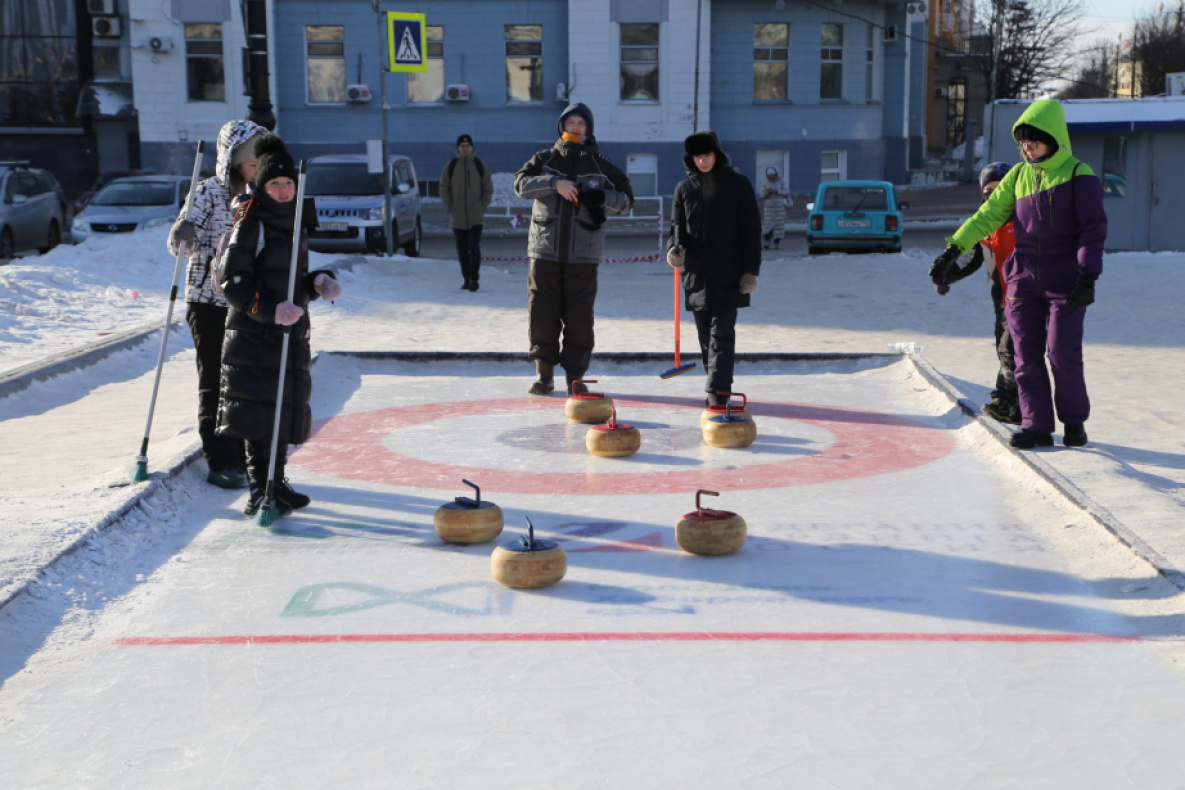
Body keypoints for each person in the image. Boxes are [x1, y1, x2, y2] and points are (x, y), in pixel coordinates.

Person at [929, 100, 1107, 449]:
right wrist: (953, 249)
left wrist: (1088, 276)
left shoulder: (1078, 174)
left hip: (1065, 280)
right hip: (1022, 278)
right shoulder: (1018, 176)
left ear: (1053, 138)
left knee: (1062, 353)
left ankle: (1073, 422)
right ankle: (1036, 425)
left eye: (1033, 141)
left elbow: (1093, 228)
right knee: (1024, 354)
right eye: (1022, 142)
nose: (1027, 148)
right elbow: (986, 217)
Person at [215, 133, 343, 517]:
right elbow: (231, 281)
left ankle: (278, 481)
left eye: (289, 183)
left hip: (289, 332)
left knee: (283, 409)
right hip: (255, 335)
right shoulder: (251, 222)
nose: (284, 190)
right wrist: (268, 311)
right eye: (276, 183)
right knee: (259, 413)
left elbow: (289, 278)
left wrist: (317, 282)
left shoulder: (294, 221)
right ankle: (259, 489)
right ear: (262, 185)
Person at [167, 119, 267, 490]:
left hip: (247, 300)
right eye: (250, 160)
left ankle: (245, 454)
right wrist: (182, 235)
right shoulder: (208, 193)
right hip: (208, 301)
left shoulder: (265, 194)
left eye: (261, 159)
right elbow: (180, 247)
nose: (257, 166)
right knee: (215, 379)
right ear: (232, 160)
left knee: (245, 381)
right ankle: (220, 458)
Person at [515, 102, 634, 395]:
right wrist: (554, 183)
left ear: (588, 128)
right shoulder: (544, 159)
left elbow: (627, 201)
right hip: (544, 253)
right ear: (562, 126)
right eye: (571, 123)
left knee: (580, 318)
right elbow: (521, 185)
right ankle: (544, 375)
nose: (576, 128)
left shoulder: (602, 167)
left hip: (584, 255)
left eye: (581, 124)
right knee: (542, 313)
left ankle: (575, 378)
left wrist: (601, 195)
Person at [666, 131, 762, 406]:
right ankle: (716, 387)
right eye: (697, 156)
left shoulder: (738, 185)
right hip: (696, 276)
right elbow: (676, 230)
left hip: (729, 275)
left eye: (706, 155)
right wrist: (673, 249)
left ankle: (717, 393)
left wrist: (750, 271)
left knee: (721, 336)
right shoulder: (684, 189)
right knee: (706, 339)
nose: (702, 161)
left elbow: (751, 231)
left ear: (716, 155)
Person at [932, 162, 1021, 425]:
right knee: (1004, 348)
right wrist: (946, 275)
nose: (993, 195)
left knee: (1012, 349)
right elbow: (971, 259)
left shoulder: (1023, 216)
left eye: (999, 189)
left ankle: (1017, 405)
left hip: (1026, 294)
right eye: (988, 189)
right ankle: (1005, 399)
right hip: (1000, 295)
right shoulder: (984, 222)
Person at [439, 133, 494, 292]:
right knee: (462, 250)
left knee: (473, 248)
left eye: (467, 146)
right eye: (462, 146)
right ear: (458, 148)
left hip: (476, 217)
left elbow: (487, 188)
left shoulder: (479, 166)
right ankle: (465, 278)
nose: (465, 149)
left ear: (472, 147)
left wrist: (481, 206)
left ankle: (474, 278)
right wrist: (450, 206)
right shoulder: (450, 166)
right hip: (457, 217)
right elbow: (443, 187)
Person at [759, 166, 790, 250]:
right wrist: (768, 192)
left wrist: (777, 191)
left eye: (773, 174)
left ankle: (777, 244)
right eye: (770, 175)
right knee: (768, 226)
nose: (771, 177)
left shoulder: (782, 182)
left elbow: (787, 192)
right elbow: (762, 196)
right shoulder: (765, 183)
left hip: (779, 207)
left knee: (778, 227)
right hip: (769, 208)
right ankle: (767, 243)